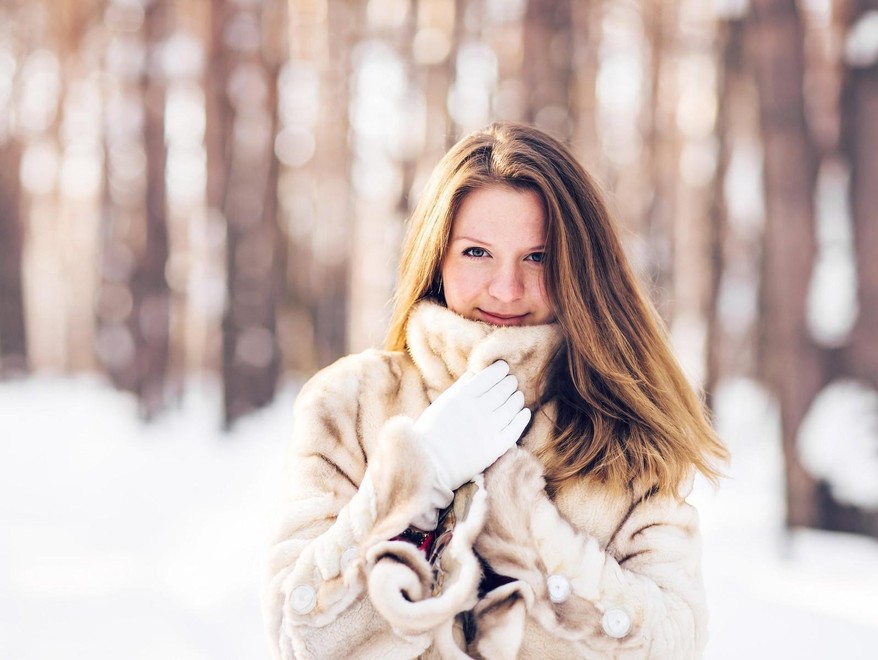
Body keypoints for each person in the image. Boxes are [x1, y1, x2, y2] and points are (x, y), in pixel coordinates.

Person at [263, 121, 728, 659]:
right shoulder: (349, 405)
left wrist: (528, 530)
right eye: (477, 253)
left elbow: (674, 642)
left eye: (538, 257)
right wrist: (418, 481)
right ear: (437, 256)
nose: (507, 290)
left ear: (579, 267)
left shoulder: (628, 427)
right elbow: (297, 633)